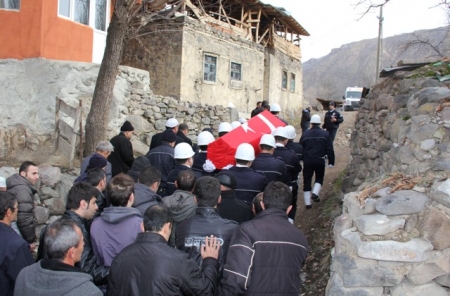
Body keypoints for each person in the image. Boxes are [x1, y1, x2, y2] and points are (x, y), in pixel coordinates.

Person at [219, 181, 309, 295]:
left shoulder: (247, 230)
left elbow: (237, 279)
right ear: (289, 209)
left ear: (262, 205)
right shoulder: (300, 238)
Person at [108, 204, 221, 295]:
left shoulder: (119, 258)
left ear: (142, 226)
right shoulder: (178, 260)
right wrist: (210, 260)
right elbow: (205, 291)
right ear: (168, 226)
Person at [36, 182, 109, 285]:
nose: (96, 207)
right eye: (94, 203)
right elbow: (88, 269)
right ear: (83, 204)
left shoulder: (52, 227)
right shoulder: (78, 231)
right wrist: (116, 271)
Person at [14, 218, 102, 296]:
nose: (84, 244)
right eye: (82, 241)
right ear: (71, 252)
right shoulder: (90, 292)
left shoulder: (23, 275)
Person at [176, 177, 238, 276]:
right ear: (219, 199)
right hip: (219, 286)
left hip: (188, 286)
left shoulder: (182, 227)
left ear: (195, 199)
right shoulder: (232, 229)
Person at [90, 174, 142, 266]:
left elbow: (97, 258)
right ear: (131, 197)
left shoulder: (95, 224)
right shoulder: (140, 225)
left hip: (105, 277)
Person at [0, 192, 34, 296]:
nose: (18, 210)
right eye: (16, 207)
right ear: (9, 212)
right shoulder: (16, 244)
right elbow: (28, 281)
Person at [300, 114, 335, 209]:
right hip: (320, 159)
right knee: (319, 177)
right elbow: (330, 149)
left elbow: (301, 148)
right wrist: (331, 161)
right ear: (320, 123)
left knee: (307, 180)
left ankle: (308, 203)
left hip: (307, 160)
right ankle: (315, 193)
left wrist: (301, 159)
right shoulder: (325, 134)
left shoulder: (305, 134)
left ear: (311, 123)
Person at [6, 161, 39, 248]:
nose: (37, 177)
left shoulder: (16, 185)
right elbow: (24, 218)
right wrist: (30, 240)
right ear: (23, 174)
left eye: (37, 174)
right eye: (34, 173)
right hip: (19, 234)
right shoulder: (22, 190)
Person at [273, 126, 302, 222]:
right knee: (291, 206)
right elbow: (298, 169)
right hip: (288, 186)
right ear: (286, 140)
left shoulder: (271, 153)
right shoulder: (291, 154)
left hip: (271, 187)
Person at [163, 170, 197, 247]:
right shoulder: (196, 204)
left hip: (166, 243)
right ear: (194, 186)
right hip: (187, 243)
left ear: (175, 183)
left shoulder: (164, 201)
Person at [146, 129, 177, 196]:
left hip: (151, 188)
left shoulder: (151, 152)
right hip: (167, 189)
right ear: (172, 142)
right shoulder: (174, 153)